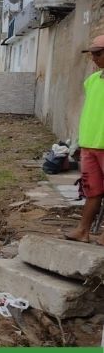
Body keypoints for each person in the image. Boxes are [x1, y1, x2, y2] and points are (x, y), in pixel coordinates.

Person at [65, 35, 104, 244]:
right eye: (92, 54)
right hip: (89, 146)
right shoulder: (91, 81)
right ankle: (83, 230)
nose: (94, 58)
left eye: (98, 53)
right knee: (92, 190)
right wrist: (80, 142)